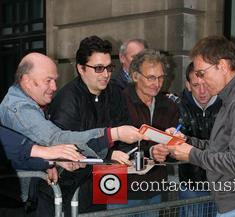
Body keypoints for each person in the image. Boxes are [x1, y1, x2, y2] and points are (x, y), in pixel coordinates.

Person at [0, 52, 146, 217]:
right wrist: (112, 134)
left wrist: (50, 162)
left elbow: (43, 147)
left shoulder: (113, 93)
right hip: (32, 201)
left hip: (54, 193)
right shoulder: (21, 108)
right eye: (48, 80)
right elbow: (55, 139)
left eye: (109, 68)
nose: (54, 87)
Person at [168, 36, 235, 217]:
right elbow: (219, 148)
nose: (200, 80)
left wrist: (191, 154)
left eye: (202, 73)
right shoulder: (233, 99)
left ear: (223, 66)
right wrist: (186, 141)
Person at [48, 35, 132, 213]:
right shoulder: (67, 100)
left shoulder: (115, 93)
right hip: (73, 185)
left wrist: (127, 152)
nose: (106, 74)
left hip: (108, 178)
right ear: (81, 68)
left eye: (109, 67)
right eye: (99, 68)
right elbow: (66, 145)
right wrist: (109, 152)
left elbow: (124, 128)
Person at [108, 49, 179, 215]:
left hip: (154, 187)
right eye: (151, 77)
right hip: (121, 187)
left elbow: (172, 148)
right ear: (135, 76)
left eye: (161, 77)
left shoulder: (170, 106)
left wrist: (169, 148)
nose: (157, 83)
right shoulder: (118, 102)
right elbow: (111, 143)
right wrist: (150, 151)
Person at [176, 62, 221, 217]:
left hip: (222, 184)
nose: (202, 91)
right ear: (188, 85)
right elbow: (174, 150)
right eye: (196, 85)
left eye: (206, 84)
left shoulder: (228, 105)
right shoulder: (177, 106)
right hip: (191, 184)